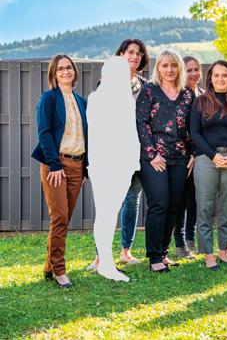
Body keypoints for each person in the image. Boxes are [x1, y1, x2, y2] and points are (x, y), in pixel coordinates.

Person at [87, 39, 149, 270]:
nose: (135, 56)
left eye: (139, 53)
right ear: (121, 54)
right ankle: (100, 256)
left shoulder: (145, 86)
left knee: (132, 200)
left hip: (138, 151)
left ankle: (125, 252)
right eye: (130, 52)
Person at [136, 49, 195, 272]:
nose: (169, 70)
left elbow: (193, 126)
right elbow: (141, 123)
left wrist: (193, 154)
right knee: (159, 202)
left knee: (173, 205)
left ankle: (163, 252)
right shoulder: (149, 91)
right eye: (165, 65)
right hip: (154, 158)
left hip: (181, 157)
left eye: (173, 65)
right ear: (158, 68)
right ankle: (154, 258)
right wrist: (152, 153)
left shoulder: (187, 94)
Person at [32, 54, 88, 288]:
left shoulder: (81, 101)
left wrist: (85, 170)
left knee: (64, 219)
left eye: (69, 67)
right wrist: (54, 164)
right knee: (60, 217)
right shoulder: (49, 98)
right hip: (56, 165)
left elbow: (86, 136)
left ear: (74, 71)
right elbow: (44, 132)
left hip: (77, 165)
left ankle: (49, 266)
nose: (66, 71)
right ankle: (59, 270)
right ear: (54, 74)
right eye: (61, 69)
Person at [191, 60, 227, 270]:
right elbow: (195, 133)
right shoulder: (201, 101)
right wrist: (212, 155)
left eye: (224, 75)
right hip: (206, 159)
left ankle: (223, 251)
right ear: (210, 78)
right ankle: (208, 254)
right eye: (216, 75)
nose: (220, 79)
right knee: (205, 207)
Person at [173, 56, 204, 259]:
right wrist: (190, 153)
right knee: (181, 200)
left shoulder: (203, 94)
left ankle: (191, 240)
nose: (193, 74)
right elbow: (181, 128)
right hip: (183, 155)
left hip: (201, 154)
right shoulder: (180, 95)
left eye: (196, 69)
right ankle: (180, 243)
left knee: (195, 199)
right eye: (189, 70)